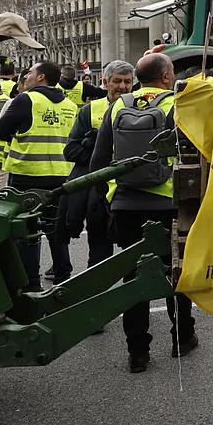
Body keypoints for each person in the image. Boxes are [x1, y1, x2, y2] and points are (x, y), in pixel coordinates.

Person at [90, 53, 197, 373]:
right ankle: (182, 338)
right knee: (176, 273)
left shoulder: (117, 106)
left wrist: (110, 200)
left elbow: (98, 163)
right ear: (166, 77)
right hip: (168, 205)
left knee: (133, 277)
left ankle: (138, 352)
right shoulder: (176, 105)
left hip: (126, 205)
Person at [0, 61, 78, 292]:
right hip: (61, 176)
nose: (26, 76)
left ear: (41, 77)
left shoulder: (26, 100)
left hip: (27, 176)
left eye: (30, 72)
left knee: (27, 231)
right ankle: (64, 276)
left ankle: (31, 284)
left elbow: (0, 131)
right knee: (55, 228)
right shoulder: (70, 106)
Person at [63, 60, 134, 271]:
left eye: (127, 82)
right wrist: (99, 151)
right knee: (99, 258)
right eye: (117, 81)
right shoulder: (89, 111)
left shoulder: (141, 109)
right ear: (105, 83)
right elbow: (70, 151)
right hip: (99, 197)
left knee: (133, 256)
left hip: (128, 193)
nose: (122, 87)